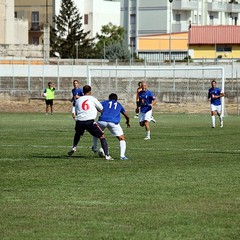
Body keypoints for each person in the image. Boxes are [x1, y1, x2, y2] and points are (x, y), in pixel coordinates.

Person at [68, 85, 114, 160]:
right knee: (102, 136)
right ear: (90, 92)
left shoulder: (78, 100)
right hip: (89, 121)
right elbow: (101, 109)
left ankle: (74, 147)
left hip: (79, 121)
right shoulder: (93, 99)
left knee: (78, 134)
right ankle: (107, 155)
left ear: (83, 92)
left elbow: (76, 110)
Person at [92, 93, 130, 160]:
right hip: (113, 122)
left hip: (102, 121)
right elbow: (126, 115)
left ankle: (95, 148)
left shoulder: (104, 102)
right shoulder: (119, 104)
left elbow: (97, 107)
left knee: (96, 133)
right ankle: (122, 156)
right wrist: (127, 121)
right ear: (116, 99)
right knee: (121, 138)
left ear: (109, 98)